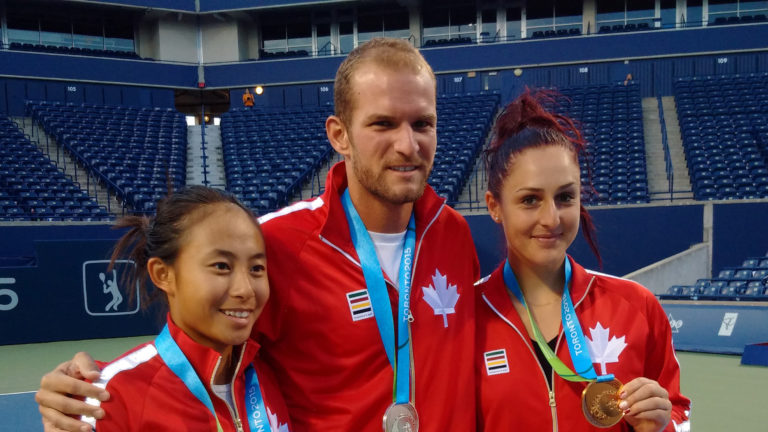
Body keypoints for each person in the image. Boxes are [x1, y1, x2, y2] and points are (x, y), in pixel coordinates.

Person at [36, 38, 480, 432]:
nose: (408, 144)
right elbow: (198, 348)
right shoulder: (278, 245)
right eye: (383, 124)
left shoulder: (453, 234)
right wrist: (89, 388)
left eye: (423, 124)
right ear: (339, 135)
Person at [475, 90, 691, 431]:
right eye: (530, 200)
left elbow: (678, 411)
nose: (551, 218)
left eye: (565, 197)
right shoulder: (465, 319)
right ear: (494, 207)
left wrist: (664, 424)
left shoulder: (636, 306)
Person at [78, 186, 291, 431]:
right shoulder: (111, 397)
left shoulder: (268, 374)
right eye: (221, 266)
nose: (245, 290)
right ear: (163, 274)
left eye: (256, 268)